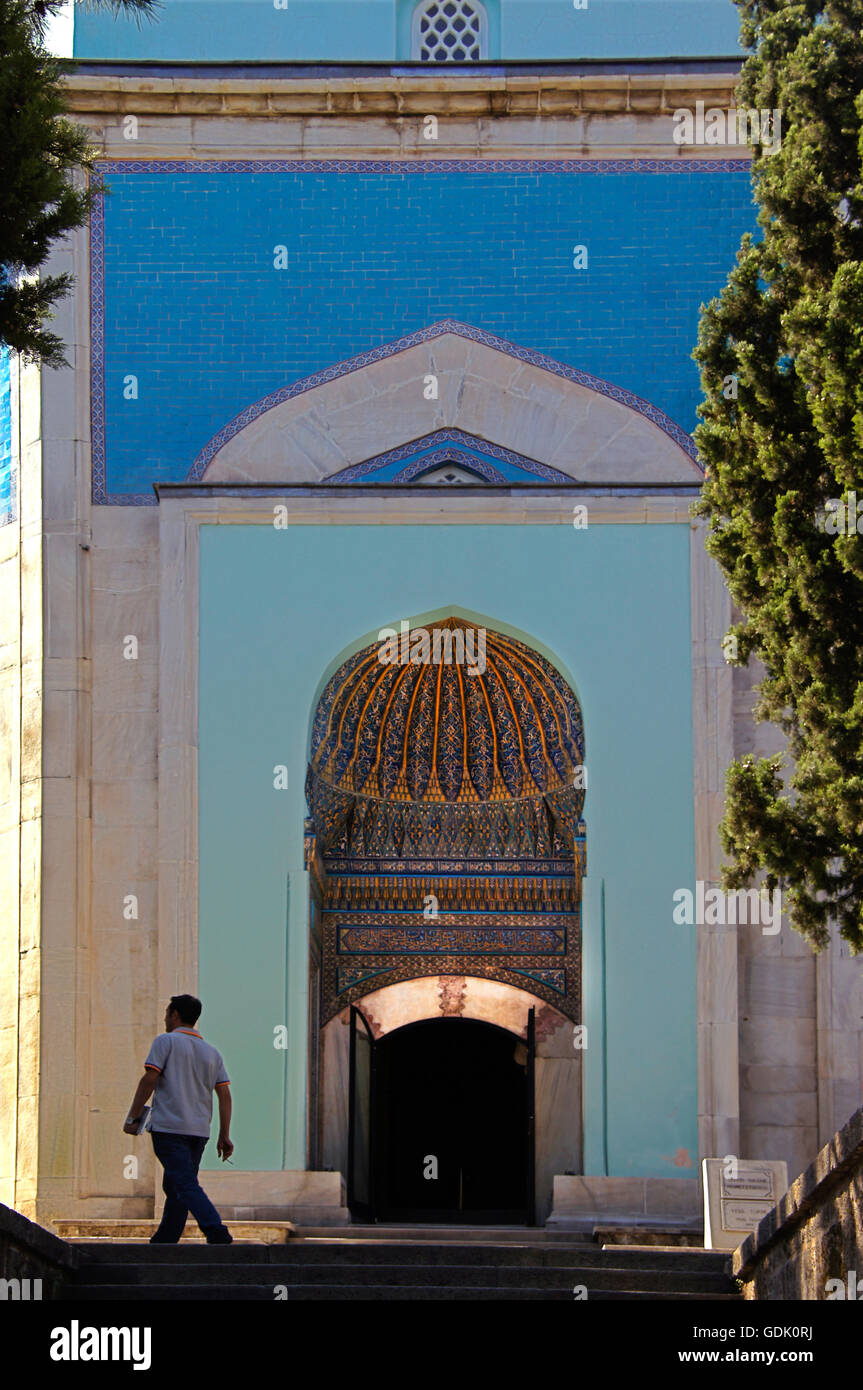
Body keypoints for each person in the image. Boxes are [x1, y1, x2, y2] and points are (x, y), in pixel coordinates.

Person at [124, 995, 235, 1244]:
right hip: (199, 1131)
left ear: (175, 1015)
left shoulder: (166, 1042)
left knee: (184, 1183)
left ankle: (216, 1229)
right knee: (175, 1185)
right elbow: (224, 1094)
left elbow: (149, 1079)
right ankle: (167, 1237)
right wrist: (224, 1134)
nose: (165, 1018)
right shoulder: (212, 1052)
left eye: (167, 1013)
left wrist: (133, 1116)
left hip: (169, 1127)